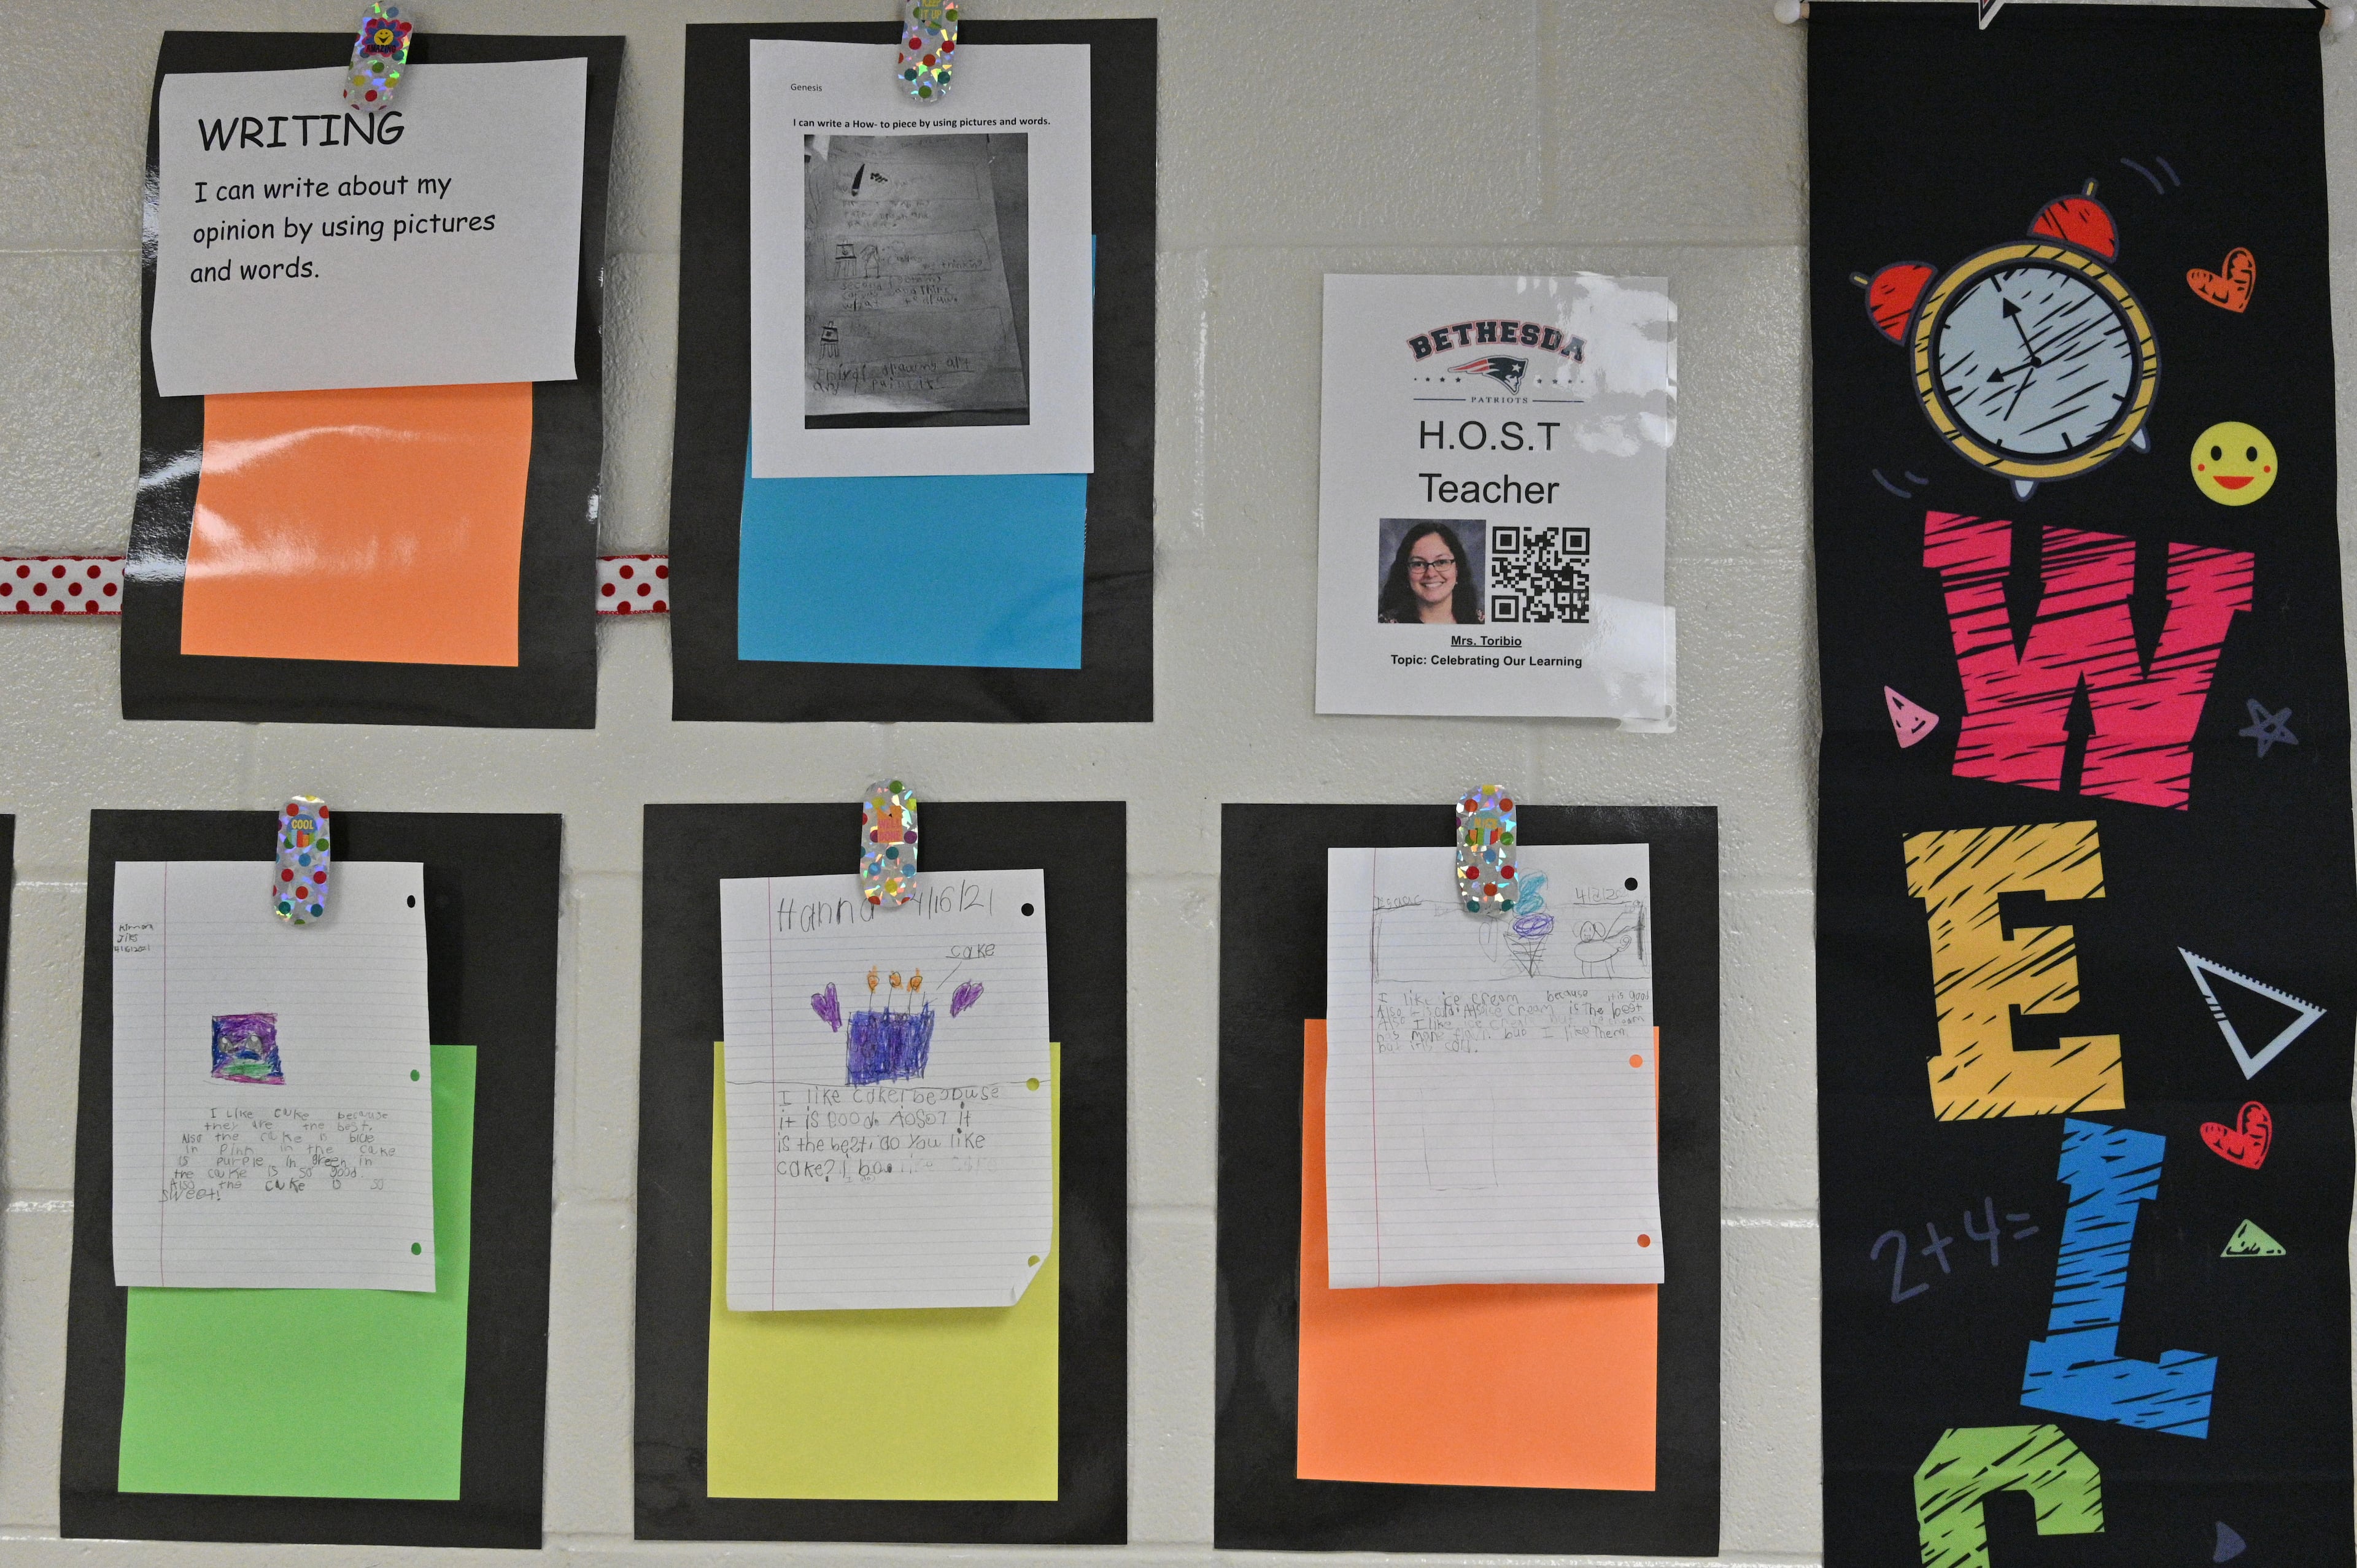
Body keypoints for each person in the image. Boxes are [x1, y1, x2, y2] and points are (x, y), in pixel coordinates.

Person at [1378, 522, 1482, 625]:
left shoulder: (1479, 621)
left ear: (1457, 569)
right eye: (1418, 564)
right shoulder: (1384, 624)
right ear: (1406, 572)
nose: (1431, 574)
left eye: (1442, 562)